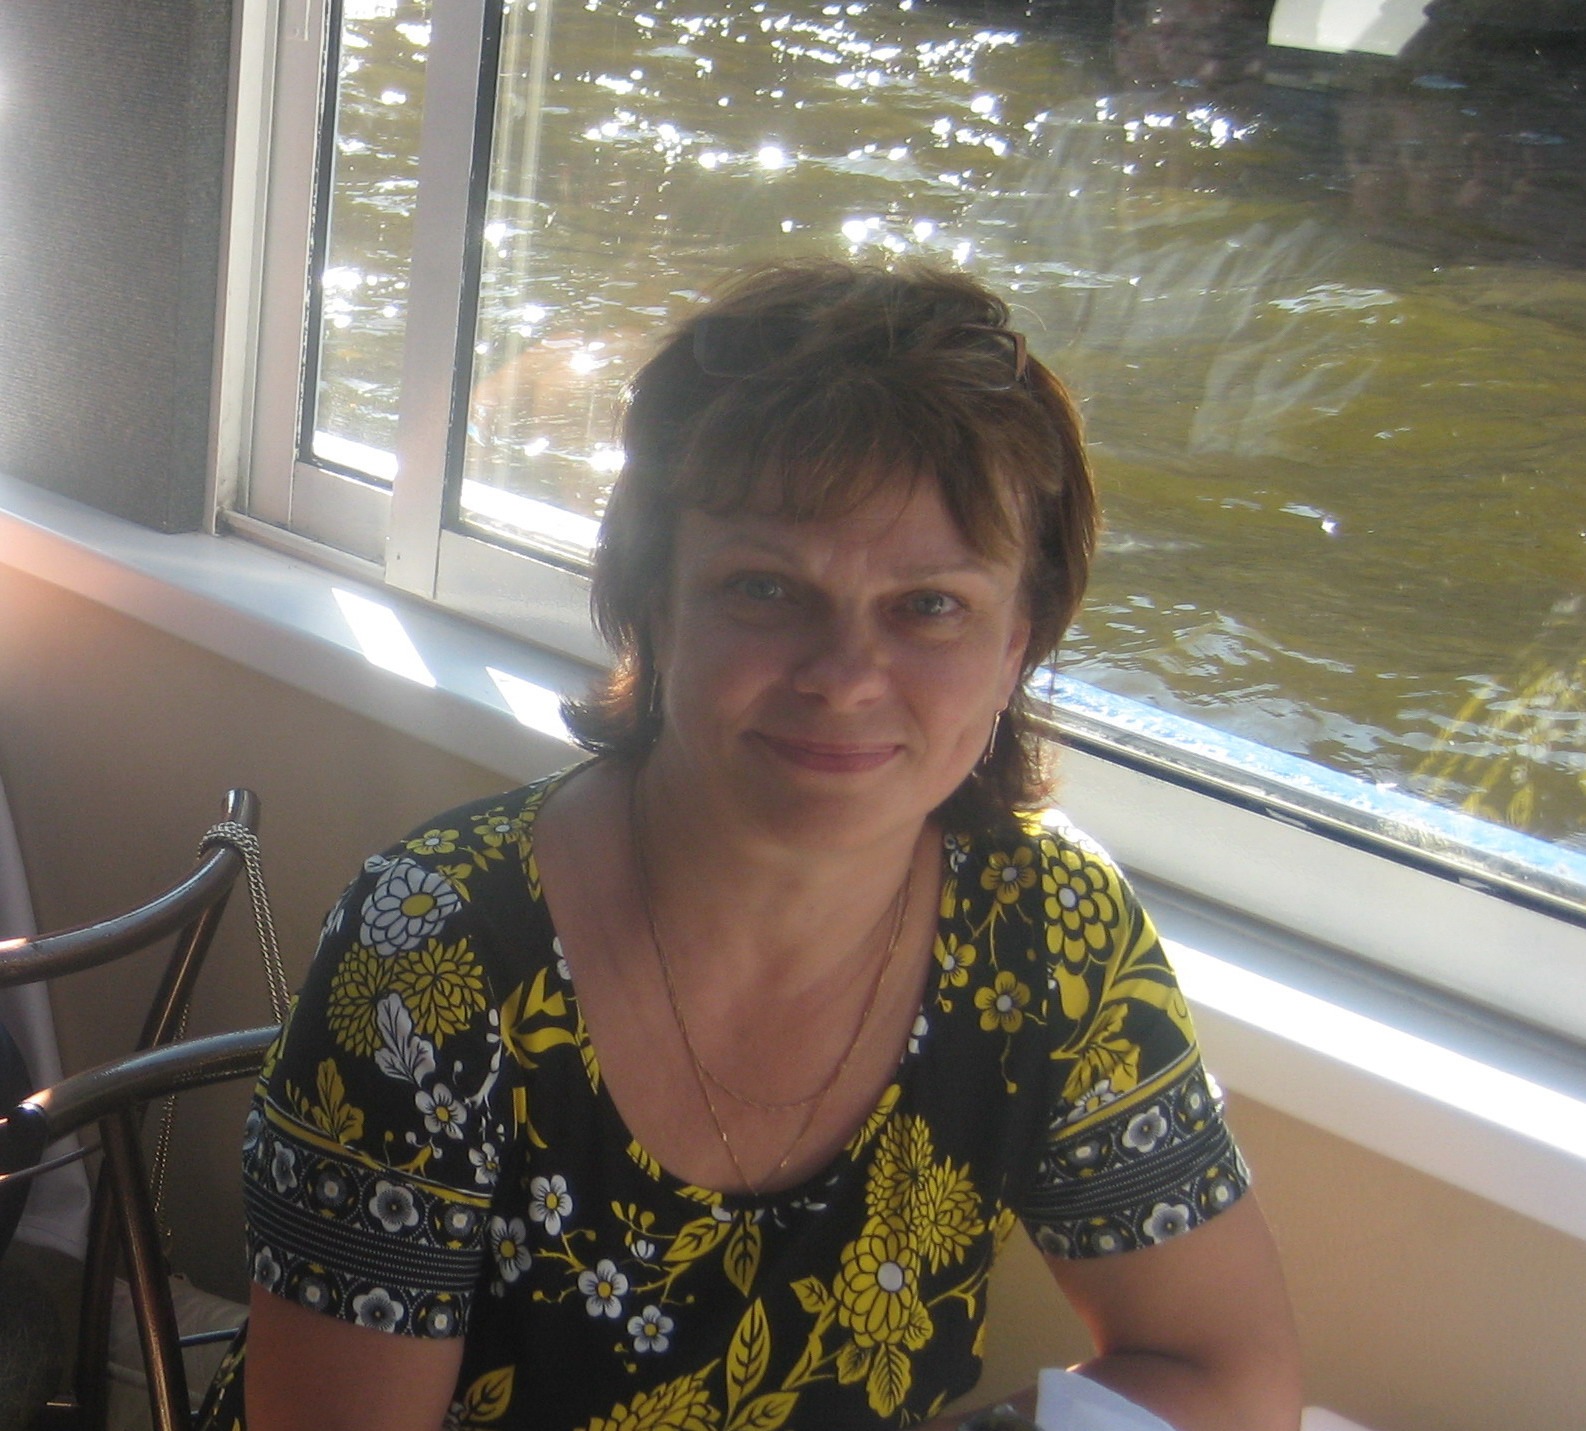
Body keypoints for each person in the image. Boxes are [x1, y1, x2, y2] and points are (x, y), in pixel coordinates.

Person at [200, 259, 1302, 1431]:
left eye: (929, 605)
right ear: (654, 607)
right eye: (765, 589)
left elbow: (1221, 1374)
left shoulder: (1049, 928)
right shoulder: (433, 951)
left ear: (1015, 643)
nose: (844, 677)